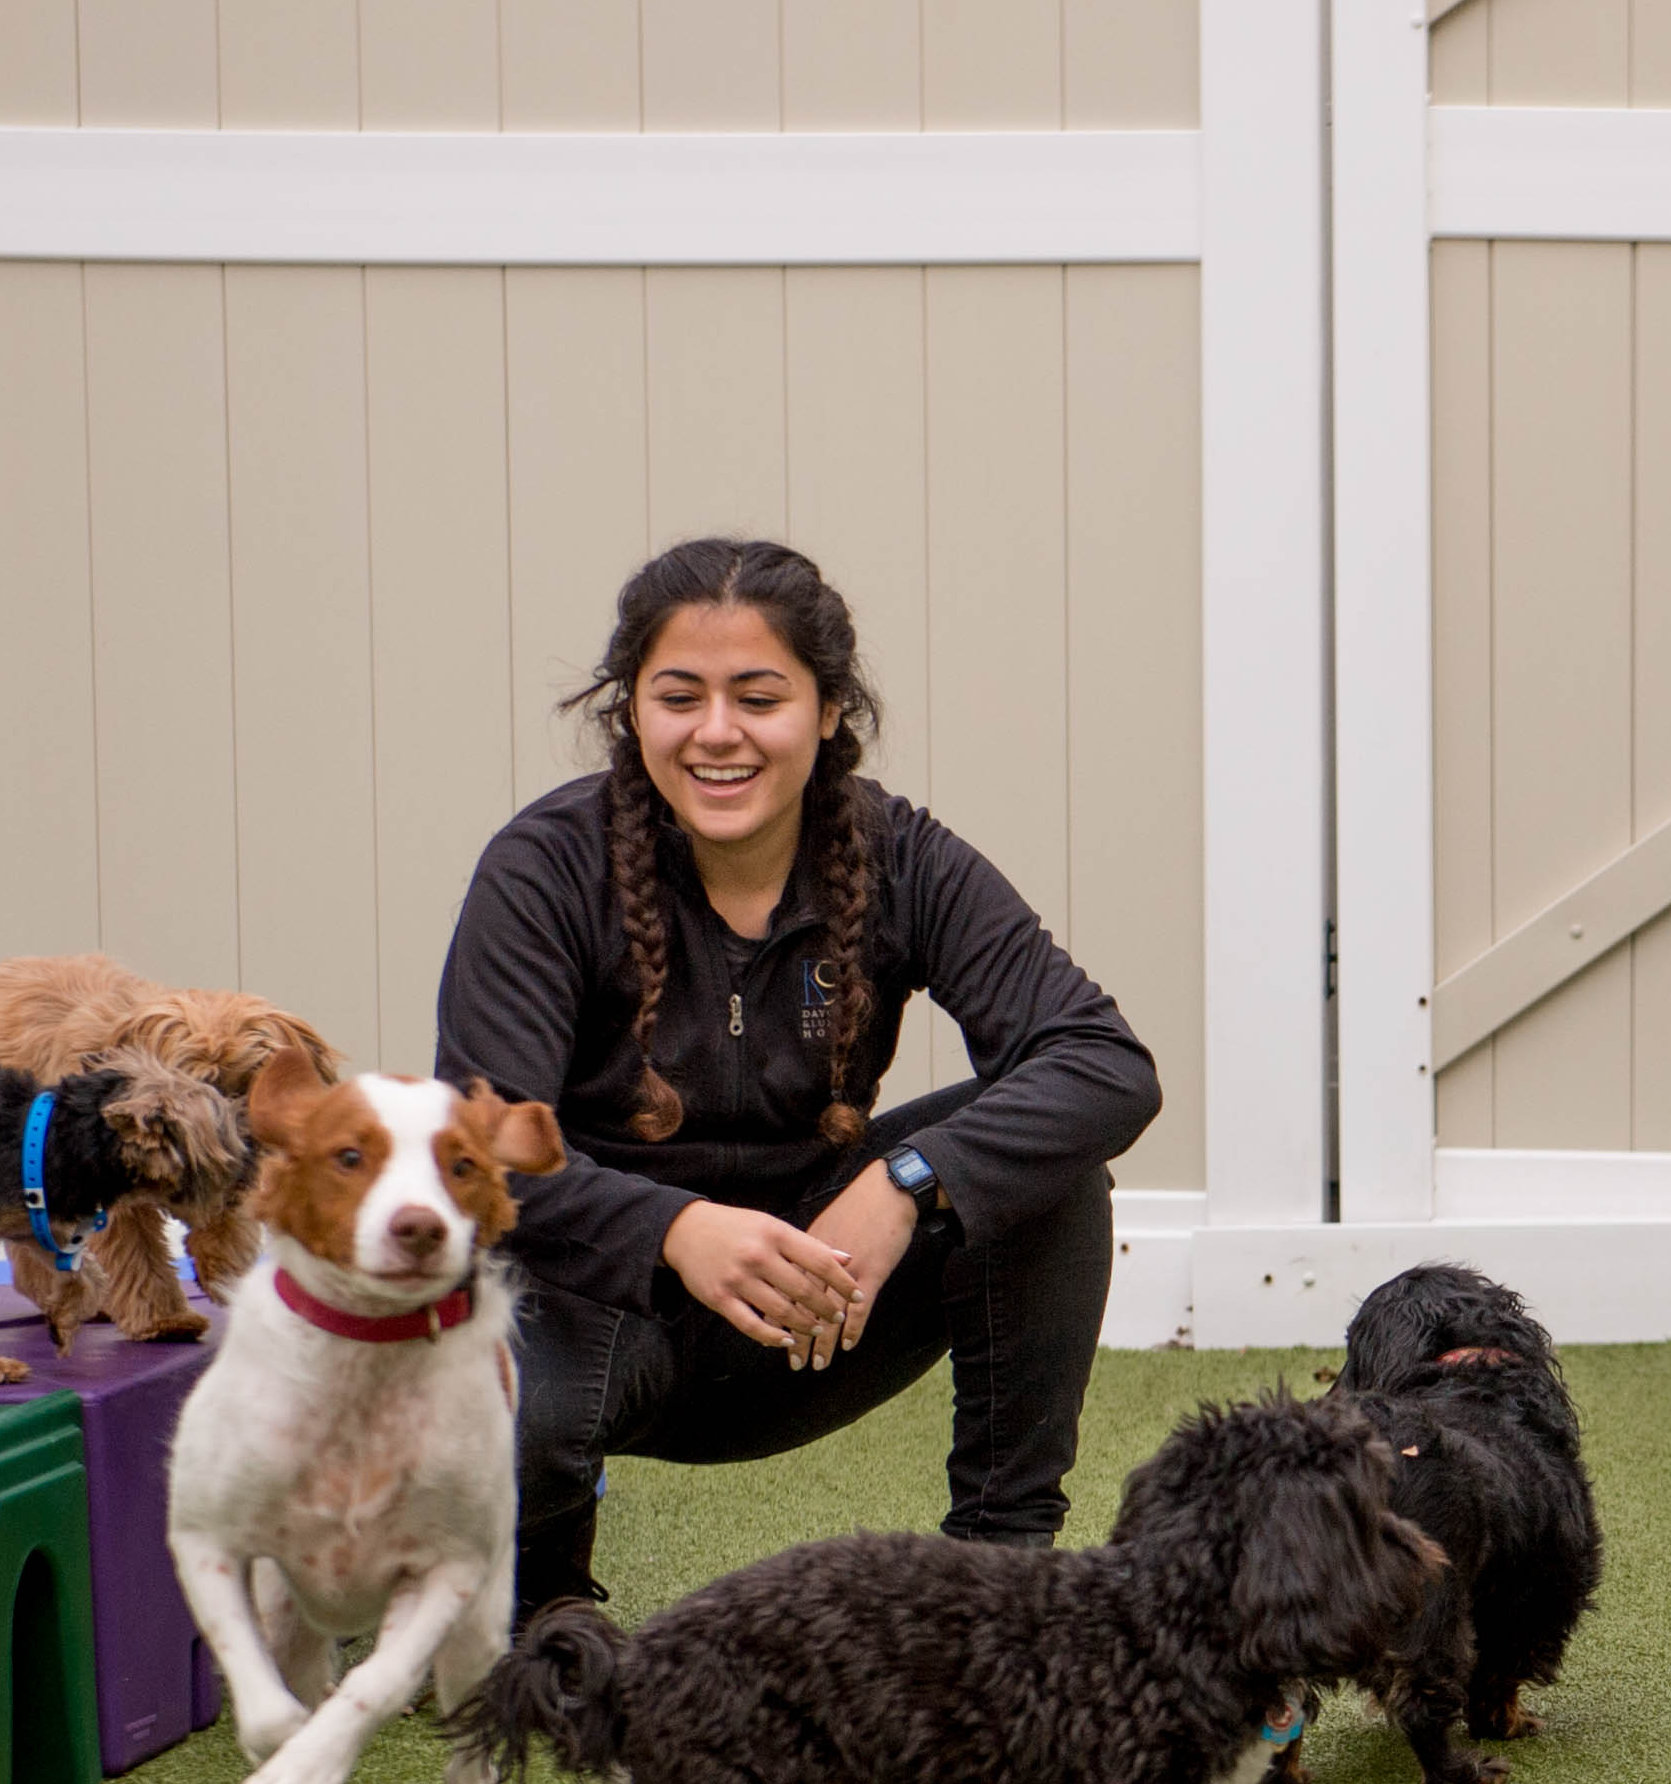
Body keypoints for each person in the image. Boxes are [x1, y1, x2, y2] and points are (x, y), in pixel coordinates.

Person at [434, 537, 1158, 1624]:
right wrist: (678, 1229)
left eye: (758, 696)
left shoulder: (899, 857)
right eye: (679, 695)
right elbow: (478, 1151)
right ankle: (545, 1603)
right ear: (631, 709)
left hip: (813, 1302)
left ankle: (1001, 1579)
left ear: (824, 711)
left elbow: (1104, 1064)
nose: (716, 732)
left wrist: (907, 1181)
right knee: (511, 1372)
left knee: (1046, 1165)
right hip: (593, 1317)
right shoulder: (544, 867)